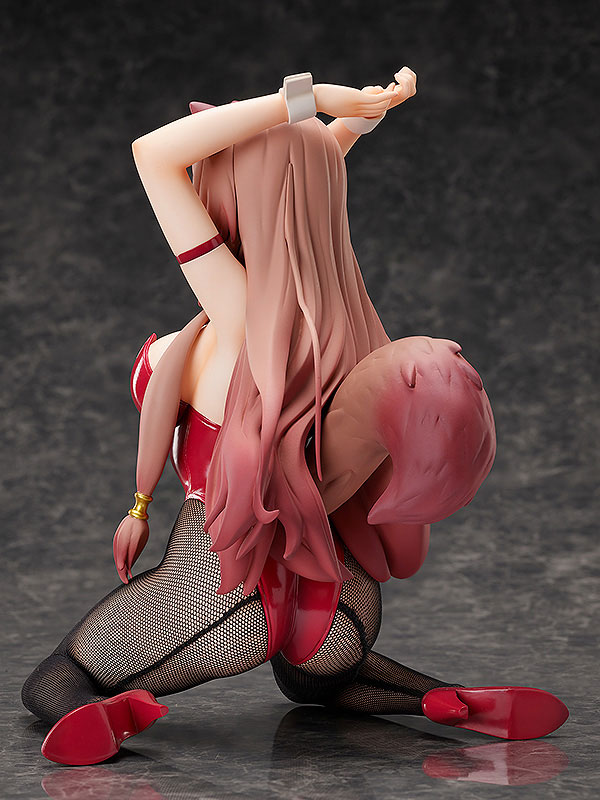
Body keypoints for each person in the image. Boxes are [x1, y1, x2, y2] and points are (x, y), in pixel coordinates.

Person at [22, 70, 568, 766]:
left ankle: (96, 711)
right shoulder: (340, 326)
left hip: (219, 587)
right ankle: (435, 698)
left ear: (234, 196)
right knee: (316, 683)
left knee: (57, 678)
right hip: (337, 599)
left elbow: (152, 154)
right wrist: (359, 120)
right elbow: (298, 181)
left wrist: (303, 99)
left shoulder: (240, 312)